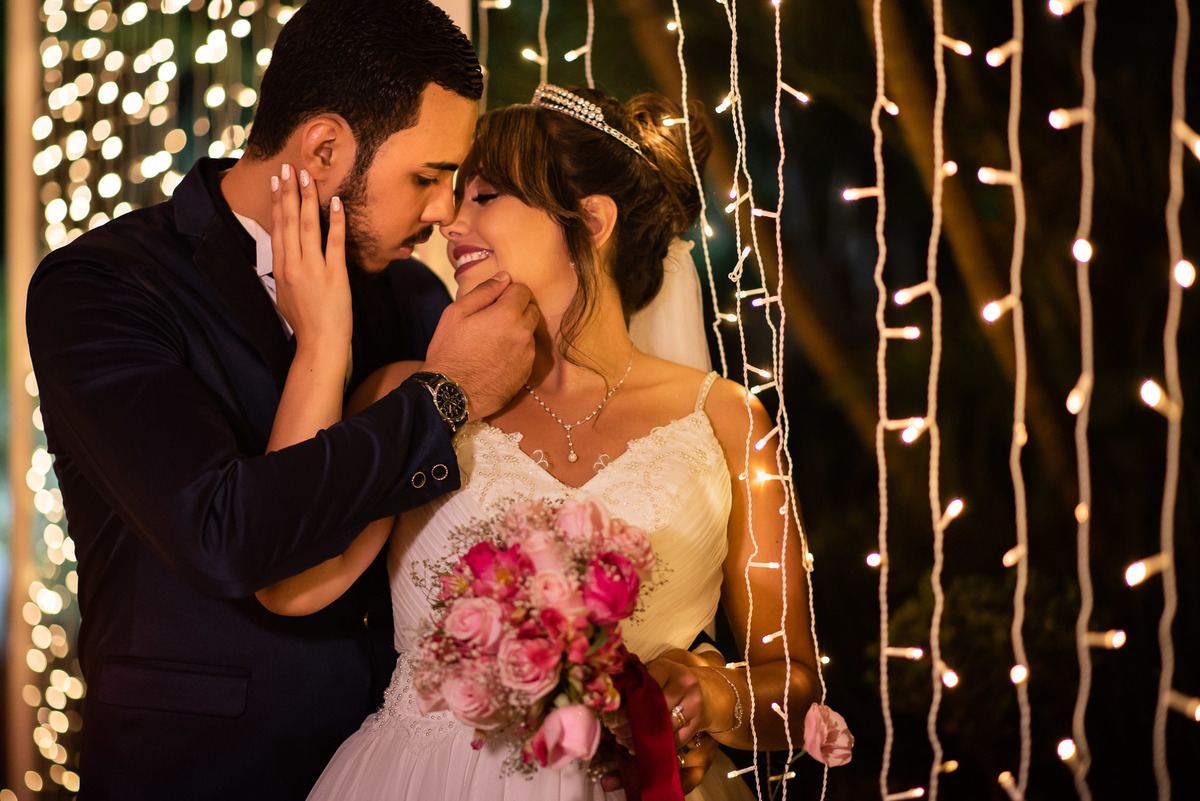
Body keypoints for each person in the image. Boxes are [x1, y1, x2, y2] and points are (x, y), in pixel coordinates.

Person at [23, 1, 537, 798]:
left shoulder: (405, 291)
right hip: (194, 772)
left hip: (390, 770)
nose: (442, 213)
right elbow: (223, 532)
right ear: (326, 146)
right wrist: (419, 385)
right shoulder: (100, 287)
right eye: (427, 177)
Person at [257, 82, 820, 800]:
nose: (451, 224)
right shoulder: (411, 392)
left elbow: (795, 684)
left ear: (591, 218)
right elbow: (289, 580)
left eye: (484, 196)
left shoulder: (728, 420)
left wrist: (710, 701)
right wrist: (323, 341)